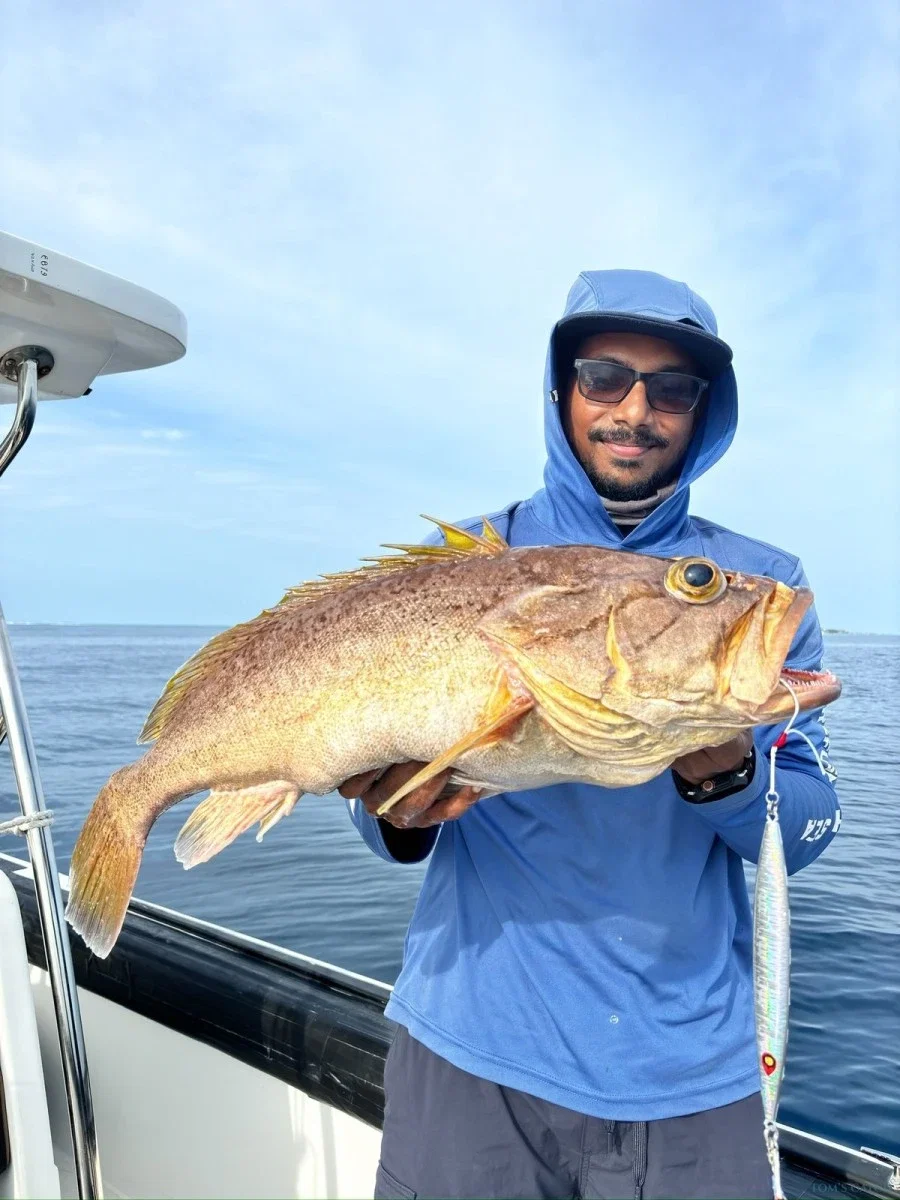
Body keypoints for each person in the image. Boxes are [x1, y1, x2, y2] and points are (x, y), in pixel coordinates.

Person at [341, 270, 841, 1200]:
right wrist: (399, 815)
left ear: (705, 412)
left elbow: (807, 829)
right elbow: (372, 803)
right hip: (472, 1051)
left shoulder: (757, 592)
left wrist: (727, 772)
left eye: (673, 389)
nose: (636, 411)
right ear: (562, 390)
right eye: (605, 377)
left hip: (693, 1072)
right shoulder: (466, 561)